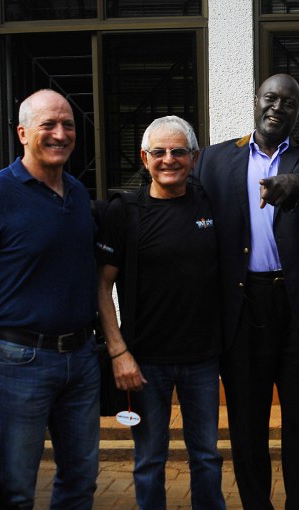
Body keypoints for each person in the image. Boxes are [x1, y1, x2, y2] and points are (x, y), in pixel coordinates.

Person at [193, 74, 299, 509]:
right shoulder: (217, 158)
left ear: (298, 110)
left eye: (289, 103)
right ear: (256, 101)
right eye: (270, 99)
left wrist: (294, 185)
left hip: (298, 309)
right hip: (243, 306)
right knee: (246, 424)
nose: (278, 108)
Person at [0, 89, 99, 509]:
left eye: (68, 125)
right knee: (16, 488)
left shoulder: (79, 194)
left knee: (80, 481)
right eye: (49, 125)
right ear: (23, 133)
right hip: (18, 361)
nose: (60, 134)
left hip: (80, 359)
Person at [96, 116, 225, 510]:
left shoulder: (211, 203)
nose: (169, 160)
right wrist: (118, 352)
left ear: (194, 157)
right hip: (144, 361)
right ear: (144, 158)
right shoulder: (125, 212)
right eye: (159, 152)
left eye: (179, 152)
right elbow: (100, 287)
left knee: (206, 455)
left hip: (203, 359)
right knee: (149, 459)